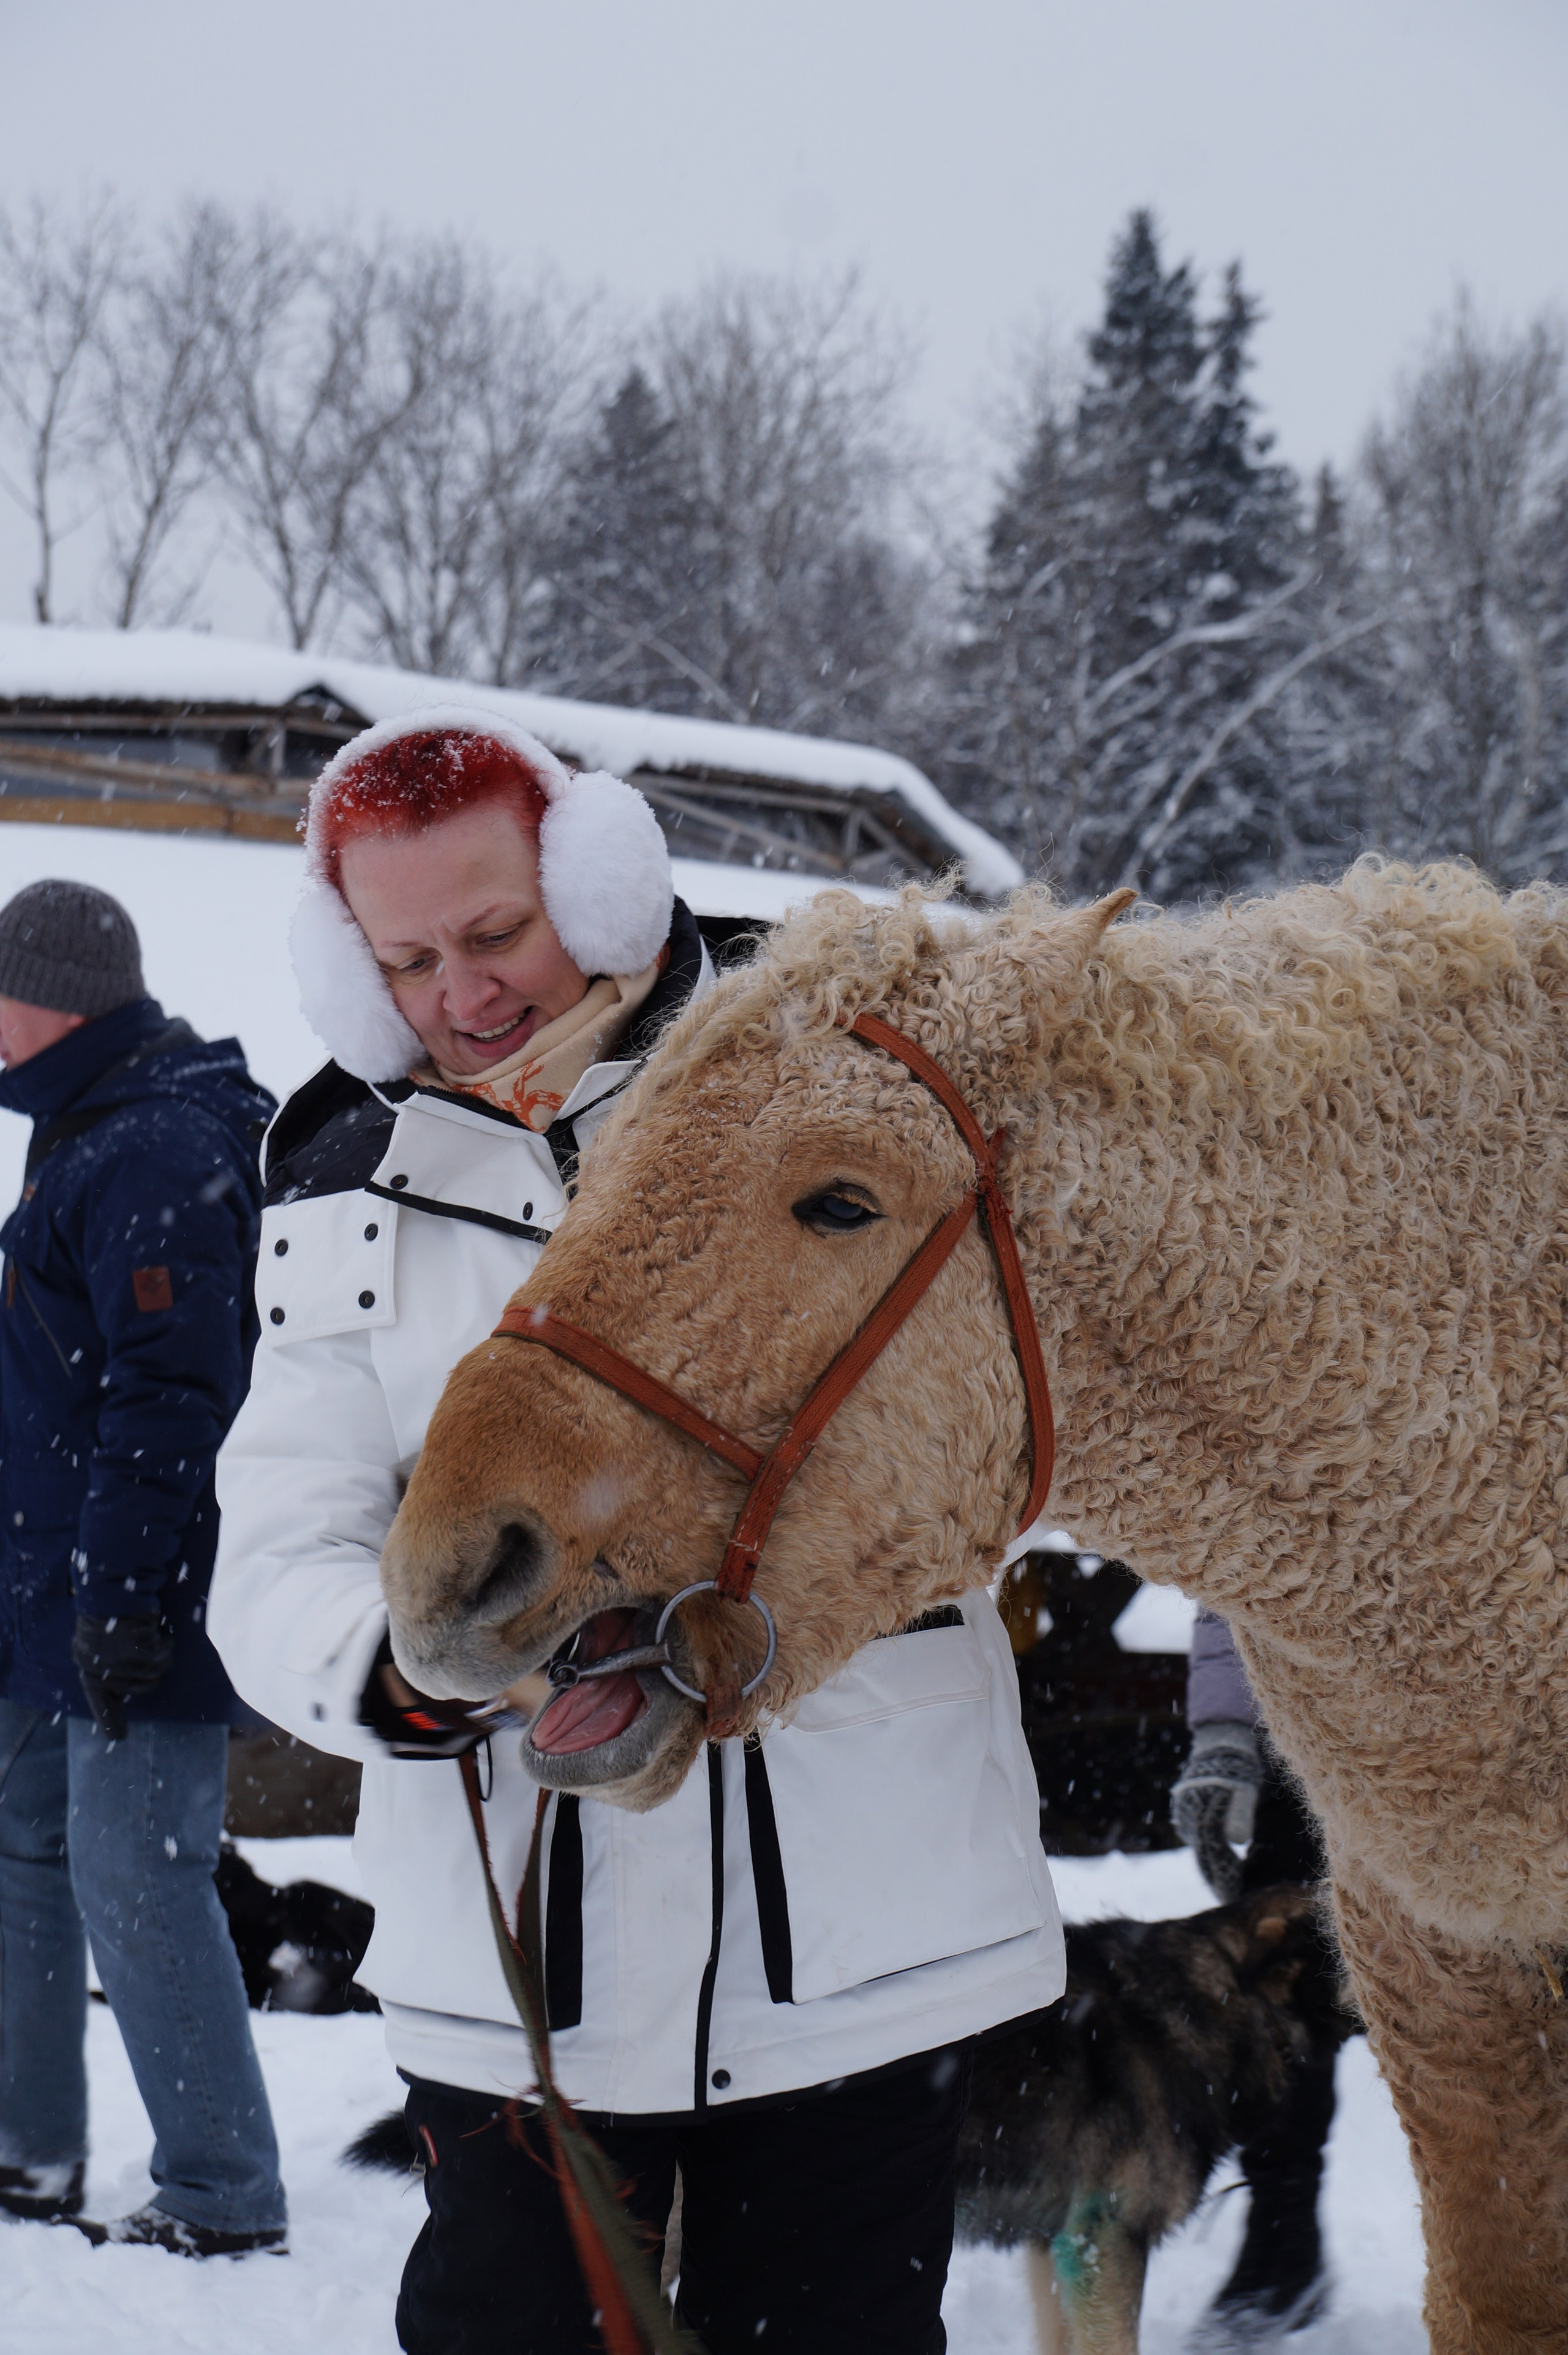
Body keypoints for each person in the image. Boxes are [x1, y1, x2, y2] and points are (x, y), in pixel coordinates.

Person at [207, 712, 1063, 2355]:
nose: (462, 993)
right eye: (405, 958)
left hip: (868, 1932)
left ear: (595, 887)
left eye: (495, 930)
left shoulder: (826, 1054)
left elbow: (1006, 1405)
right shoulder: (336, 1167)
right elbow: (277, 1540)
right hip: (520, 1966)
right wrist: (404, 1670)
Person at [0, 879, 285, 2255]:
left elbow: (172, 1396)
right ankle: (28, 2150)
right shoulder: (95, 1123)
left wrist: (120, 1598)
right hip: (50, 1583)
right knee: (30, 1854)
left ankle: (224, 2194)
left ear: (54, 994)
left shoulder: (155, 1149)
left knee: (139, 1869)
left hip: (140, 1590)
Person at [1170, 1610, 1343, 2349]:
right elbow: (1229, 1564)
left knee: (1488, 2016)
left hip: (1481, 1719)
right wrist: (1225, 1728)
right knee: (1278, 1999)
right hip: (1308, 1721)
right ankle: (1282, 2238)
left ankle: (1514, 2252)